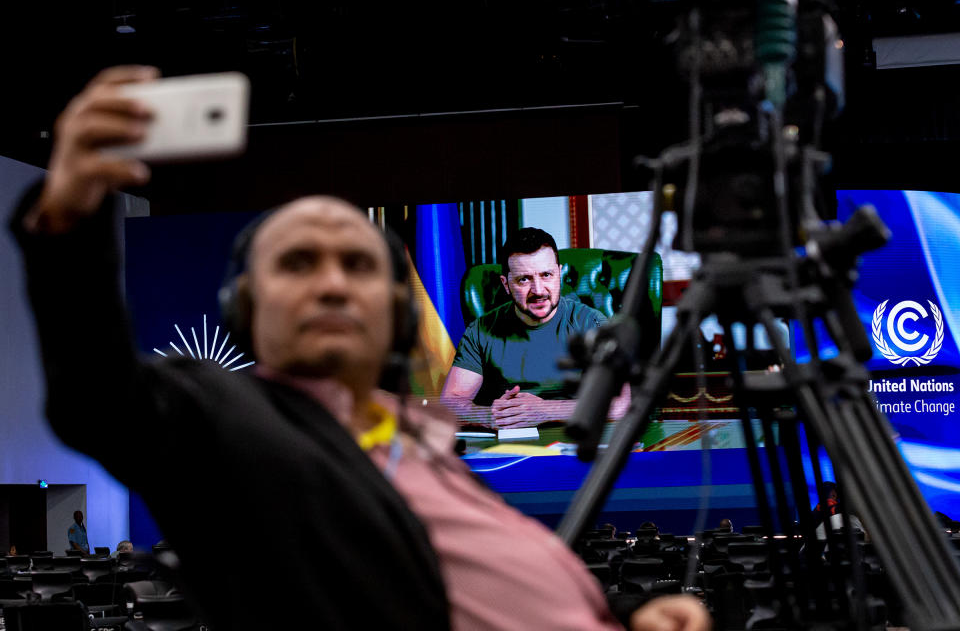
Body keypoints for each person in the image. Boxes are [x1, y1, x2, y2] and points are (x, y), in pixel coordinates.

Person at [12, 65, 710, 631]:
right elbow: (99, 399)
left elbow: (503, 564)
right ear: (245, 307)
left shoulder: (406, 433)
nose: (333, 284)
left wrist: (625, 611)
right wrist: (70, 218)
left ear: (395, 316)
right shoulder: (228, 418)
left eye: (358, 265)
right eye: (298, 263)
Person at [442, 227, 629, 428]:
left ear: (559, 273)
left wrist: (544, 411)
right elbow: (449, 404)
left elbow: (620, 404)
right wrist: (489, 416)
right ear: (506, 284)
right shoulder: (481, 331)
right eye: (524, 279)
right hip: (508, 447)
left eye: (546, 275)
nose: (538, 291)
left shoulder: (591, 322)